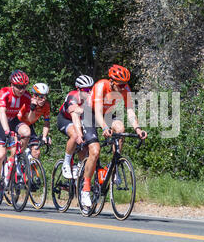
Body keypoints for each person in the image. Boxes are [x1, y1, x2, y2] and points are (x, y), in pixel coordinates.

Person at [79, 65, 147, 207]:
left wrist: (138, 129)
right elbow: (97, 113)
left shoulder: (125, 89)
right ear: (111, 81)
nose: (123, 88)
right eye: (120, 85)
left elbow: (130, 111)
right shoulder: (100, 86)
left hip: (108, 113)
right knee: (95, 150)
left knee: (120, 128)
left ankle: (114, 167)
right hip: (91, 114)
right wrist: (104, 127)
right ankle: (85, 189)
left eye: (125, 85)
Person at [0, 70, 33, 201]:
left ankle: (15, 159)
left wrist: (33, 108)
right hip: (0, 121)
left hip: (13, 119)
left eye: (24, 87)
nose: (21, 90)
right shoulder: (4, 92)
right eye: (19, 87)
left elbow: (29, 119)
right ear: (12, 84)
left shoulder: (26, 95)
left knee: (27, 132)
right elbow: (2, 113)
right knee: (1, 154)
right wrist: (7, 132)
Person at [57, 75, 94, 179]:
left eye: (91, 88)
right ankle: (66, 163)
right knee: (75, 135)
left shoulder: (92, 98)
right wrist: (79, 134)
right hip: (65, 119)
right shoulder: (73, 97)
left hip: (80, 120)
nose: (89, 91)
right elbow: (75, 116)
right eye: (86, 89)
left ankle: (80, 166)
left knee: (86, 145)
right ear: (78, 89)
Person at [17, 83, 52, 159]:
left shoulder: (46, 106)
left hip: (29, 126)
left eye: (45, 96)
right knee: (18, 150)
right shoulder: (26, 103)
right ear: (35, 96)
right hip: (17, 125)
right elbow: (30, 119)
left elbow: (46, 122)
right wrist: (32, 108)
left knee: (36, 152)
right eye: (41, 97)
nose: (44, 99)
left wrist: (44, 136)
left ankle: (32, 170)